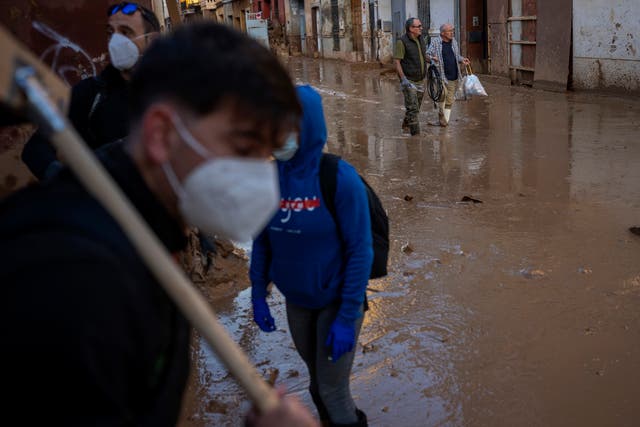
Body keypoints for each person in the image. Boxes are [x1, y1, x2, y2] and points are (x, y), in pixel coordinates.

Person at [0, 22, 317, 426]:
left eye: (265, 153)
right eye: (243, 148)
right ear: (162, 134)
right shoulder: (75, 280)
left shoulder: (146, 236)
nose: (259, 174)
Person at [250, 85, 373, 427]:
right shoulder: (270, 178)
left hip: (337, 301)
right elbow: (262, 241)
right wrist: (258, 293)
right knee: (317, 386)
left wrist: (348, 316)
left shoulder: (340, 179)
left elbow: (360, 252)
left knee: (334, 391)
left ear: (307, 128)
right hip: (298, 302)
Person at [21, 1, 160, 180]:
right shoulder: (91, 94)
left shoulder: (175, 91)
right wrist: (64, 181)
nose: (115, 42)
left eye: (126, 32)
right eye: (111, 33)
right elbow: (36, 149)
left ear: (152, 40)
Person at [427, 23, 470, 127]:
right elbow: (427, 54)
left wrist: (462, 59)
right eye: (449, 31)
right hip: (441, 75)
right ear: (442, 33)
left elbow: (456, 56)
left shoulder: (454, 42)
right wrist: (433, 58)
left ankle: (444, 121)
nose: (452, 33)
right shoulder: (436, 42)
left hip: (454, 75)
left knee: (450, 99)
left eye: (452, 31)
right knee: (442, 96)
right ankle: (441, 116)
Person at [394, 17, 427, 136]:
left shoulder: (421, 39)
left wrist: (431, 59)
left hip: (420, 80)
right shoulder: (401, 42)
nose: (421, 28)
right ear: (411, 28)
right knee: (413, 109)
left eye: (421, 26)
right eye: (419, 26)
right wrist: (403, 79)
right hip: (409, 80)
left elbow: (423, 55)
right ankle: (415, 137)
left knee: (415, 107)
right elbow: (397, 62)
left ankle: (406, 125)